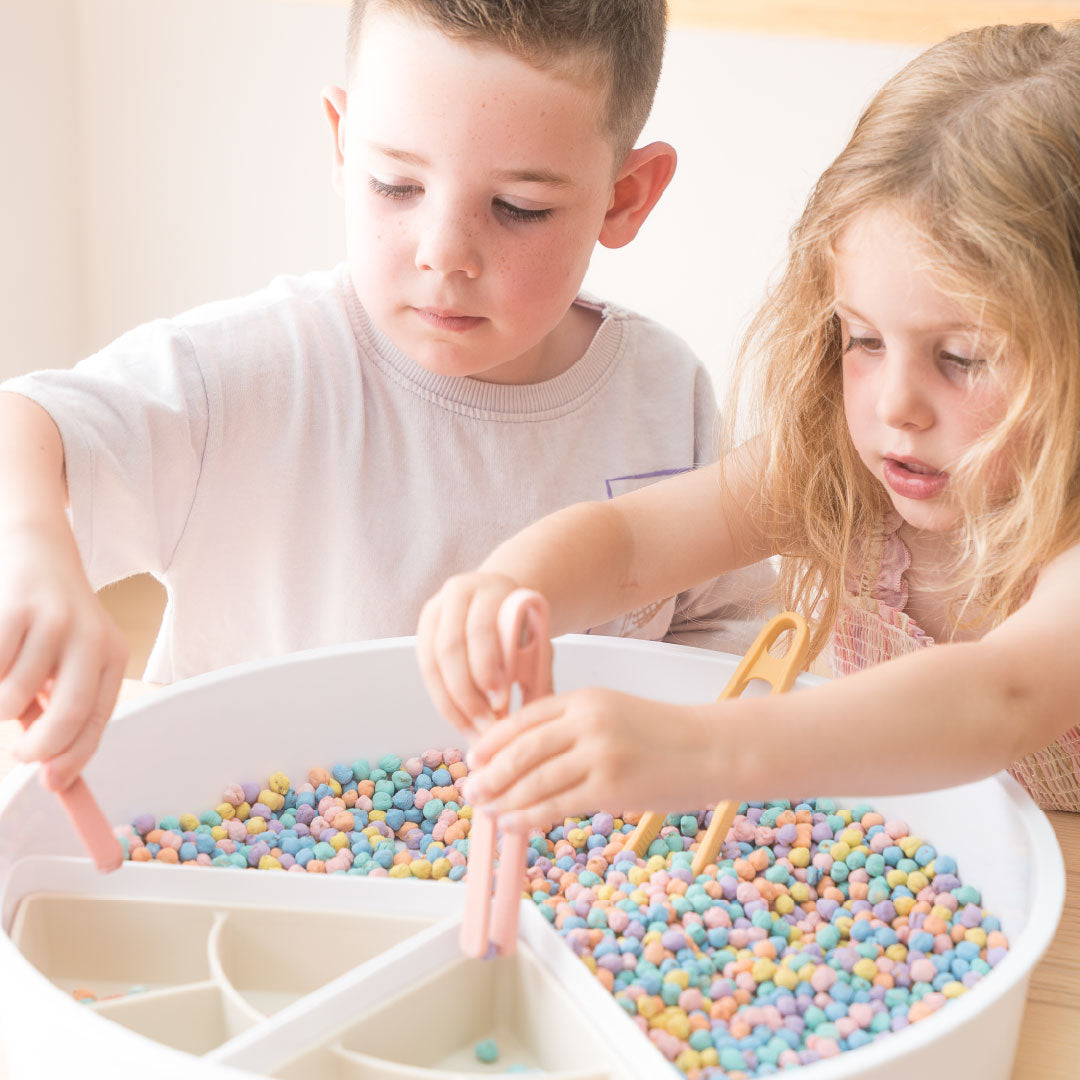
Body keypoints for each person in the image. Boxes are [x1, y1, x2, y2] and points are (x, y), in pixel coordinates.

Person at [0, 0, 771, 792]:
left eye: (518, 209)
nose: (445, 254)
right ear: (341, 141)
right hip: (261, 863)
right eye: (397, 185)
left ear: (625, 196)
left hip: (563, 875)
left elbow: (724, 626)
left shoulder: (662, 394)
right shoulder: (256, 372)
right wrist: (32, 549)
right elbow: (28, 419)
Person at [418, 21, 1080, 826]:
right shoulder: (839, 468)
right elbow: (633, 545)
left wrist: (699, 751)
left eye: (963, 358)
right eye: (863, 339)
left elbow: (1003, 698)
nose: (893, 405)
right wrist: (511, 586)